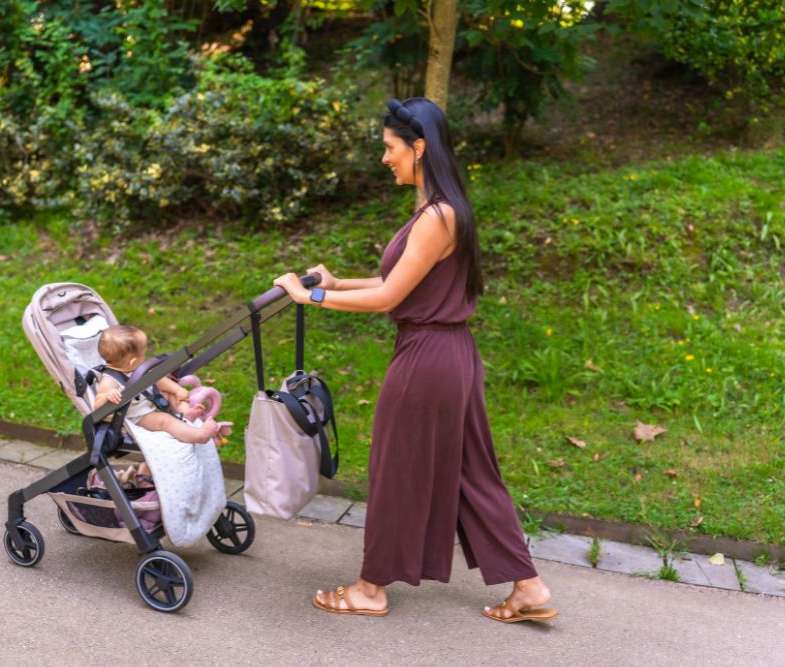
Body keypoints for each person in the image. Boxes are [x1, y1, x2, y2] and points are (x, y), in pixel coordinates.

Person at [272, 97, 557, 623]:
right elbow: (393, 284)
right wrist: (336, 283)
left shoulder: (437, 217)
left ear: (418, 147)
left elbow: (386, 300)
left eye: (390, 147)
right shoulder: (443, 210)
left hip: (427, 360)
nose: (385, 158)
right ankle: (529, 587)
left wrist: (308, 297)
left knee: (398, 470)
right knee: (474, 474)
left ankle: (370, 589)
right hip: (451, 356)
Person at [92, 324, 226, 445]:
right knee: (164, 421)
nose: (145, 357)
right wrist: (107, 397)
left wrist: (177, 389)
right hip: (139, 415)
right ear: (132, 362)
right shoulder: (109, 380)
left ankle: (186, 414)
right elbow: (97, 405)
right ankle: (199, 435)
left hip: (151, 399)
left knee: (171, 392)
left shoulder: (136, 368)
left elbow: (158, 380)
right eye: (143, 354)